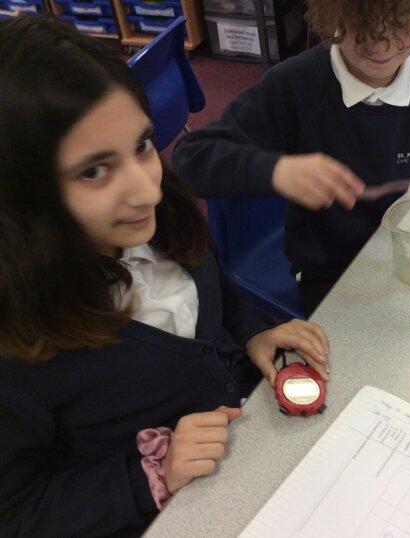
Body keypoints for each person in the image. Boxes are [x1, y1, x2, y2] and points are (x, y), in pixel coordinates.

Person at [0, 14, 329, 538]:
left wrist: (252, 331)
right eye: (94, 171)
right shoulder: (20, 343)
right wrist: (148, 475)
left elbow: (215, 282)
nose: (147, 189)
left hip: (251, 443)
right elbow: (17, 511)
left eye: (142, 145)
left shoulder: (162, 216)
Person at [172, 0, 410, 315]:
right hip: (333, 273)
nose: (381, 45)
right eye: (361, 29)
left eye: (401, 25)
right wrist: (276, 170)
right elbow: (191, 158)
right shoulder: (295, 86)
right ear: (333, 17)